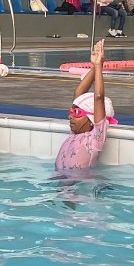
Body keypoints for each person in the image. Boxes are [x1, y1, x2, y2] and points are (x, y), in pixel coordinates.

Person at [55, 40, 118, 172]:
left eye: (77, 113)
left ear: (91, 120)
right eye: (71, 112)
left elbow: (98, 98)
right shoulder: (74, 133)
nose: (71, 116)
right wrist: (95, 67)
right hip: (59, 181)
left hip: (78, 183)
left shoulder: (94, 138)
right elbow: (78, 94)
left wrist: (99, 67)